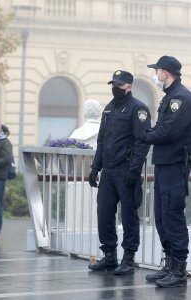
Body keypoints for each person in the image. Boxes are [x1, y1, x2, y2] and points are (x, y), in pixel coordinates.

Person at [88, 70, 151, 275]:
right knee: (104, 212)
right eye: (114, 84)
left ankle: (129, 259)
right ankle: (109, 255)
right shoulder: (109, 109)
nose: (116, 88)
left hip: (126, 170)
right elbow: (101, 141)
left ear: (129, 86)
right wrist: (95, 168)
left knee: (128, 214)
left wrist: (134, 171)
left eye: (120, 85)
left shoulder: (138, 109)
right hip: (108, 170)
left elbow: (142, 143)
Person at [143, 56, 191, 288]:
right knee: (161, 217)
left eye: (158, 71)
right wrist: (150, 133)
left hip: (174, 164)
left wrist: (144, 135)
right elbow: (161, 128)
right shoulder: (169, 97)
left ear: (166, 73)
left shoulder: (180, 98)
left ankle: (179, 269)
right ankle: (170, 264)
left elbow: (169, 131)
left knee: (173, 215)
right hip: (163, 164)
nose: (156, 74)